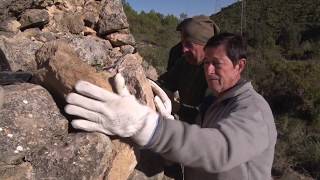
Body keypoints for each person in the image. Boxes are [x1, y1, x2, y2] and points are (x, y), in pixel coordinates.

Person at [65, 33, 277, 180]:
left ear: (239, 65)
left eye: (217, 64)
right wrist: (171, 124)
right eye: (206, 63)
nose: (209, 71)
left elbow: (220, 150)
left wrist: (147, 126)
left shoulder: (253, 110)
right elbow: (198, 147)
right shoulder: (215, 102)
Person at [156, 15, 220, 124]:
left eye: (189, 45)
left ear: (206, 46)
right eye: (183, 44)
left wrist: (176, 107)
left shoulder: (217, 72)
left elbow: (205, 114)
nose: (184, 49)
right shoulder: (184, 62)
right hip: (185, 125)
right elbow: (165, 83)